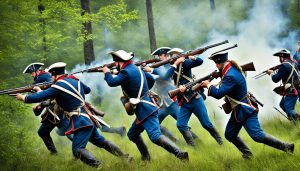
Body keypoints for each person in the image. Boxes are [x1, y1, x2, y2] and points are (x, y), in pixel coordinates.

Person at [17, 62, 131, 167]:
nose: (50, 78)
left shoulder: (58, 86)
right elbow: (87, 90)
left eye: (51, 75)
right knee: (101, 141)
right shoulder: (74, 80)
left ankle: (99, 166)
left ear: (54, 74)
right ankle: (125, 158)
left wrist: (23, 97)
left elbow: (39, 97)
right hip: (88, 117)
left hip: (80, 120)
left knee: (77, 150)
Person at [201, 52, 294, 159]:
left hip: (245, 110)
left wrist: (208, 85)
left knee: (257, 135)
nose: (216, 66)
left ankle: (287, 147)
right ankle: (247, 154)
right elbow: (226, 80)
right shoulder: (231, 69)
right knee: (230, 134)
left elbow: (218, 94)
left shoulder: (230, 75)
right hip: (239, 110)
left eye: (217, 63)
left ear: (221, 62)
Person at [102, 50, 188, 161]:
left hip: (145, 109)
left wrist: (106, 72)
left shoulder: (125, 72)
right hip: (146, 105)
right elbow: (151, 79)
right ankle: (146, 157)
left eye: (115, 63)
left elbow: (111, 82)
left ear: (118, 62)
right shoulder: (135, 68)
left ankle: (180, 154)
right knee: (133, 134)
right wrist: (144, 92)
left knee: (155, 136)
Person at [164, 48, 223, 147]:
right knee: (181, 125)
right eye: (172, 55)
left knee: (206, 124)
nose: (172, 57)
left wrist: (191, 56)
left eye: (174, 55)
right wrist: (176, 63)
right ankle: (193, 148)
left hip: (194, 98)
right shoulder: (172, 67)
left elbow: (200, 61)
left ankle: (221, 143)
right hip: (184, 101)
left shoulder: (186, 64)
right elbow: (166, 77)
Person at [143, 47, 198, 142]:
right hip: (162, 104)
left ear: (167, 56)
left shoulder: (170, 66)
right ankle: (174, 140)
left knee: (182, 125)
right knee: (155, 123)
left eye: (162, 55)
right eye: (159, 56)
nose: (161, 57)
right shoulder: (158, 66)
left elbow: (164, 76)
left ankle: (196, 142)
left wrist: (151, 69)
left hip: (173, 102)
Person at [23, 63, 67, 154]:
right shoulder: (45, 76)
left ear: (37, 71)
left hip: (56, 108)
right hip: (54, 107)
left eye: (32, 73)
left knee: (66, 131)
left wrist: (25, 97)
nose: (31, 75)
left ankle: (74, 150)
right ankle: (55, 153)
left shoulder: (41, 77)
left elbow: (38, 93)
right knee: (45, 131)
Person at [267, 49, 300, 121]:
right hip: (295, 88)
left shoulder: (284, 66)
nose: (279, 59)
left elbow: (275, 79)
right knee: (282, 104)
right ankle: (294, 120)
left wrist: (271, 73)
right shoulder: (294, 63)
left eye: (279, 57)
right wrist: (278, 70)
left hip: (291, 90)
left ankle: (297, 120)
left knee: (289, 109)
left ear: (282, 57)